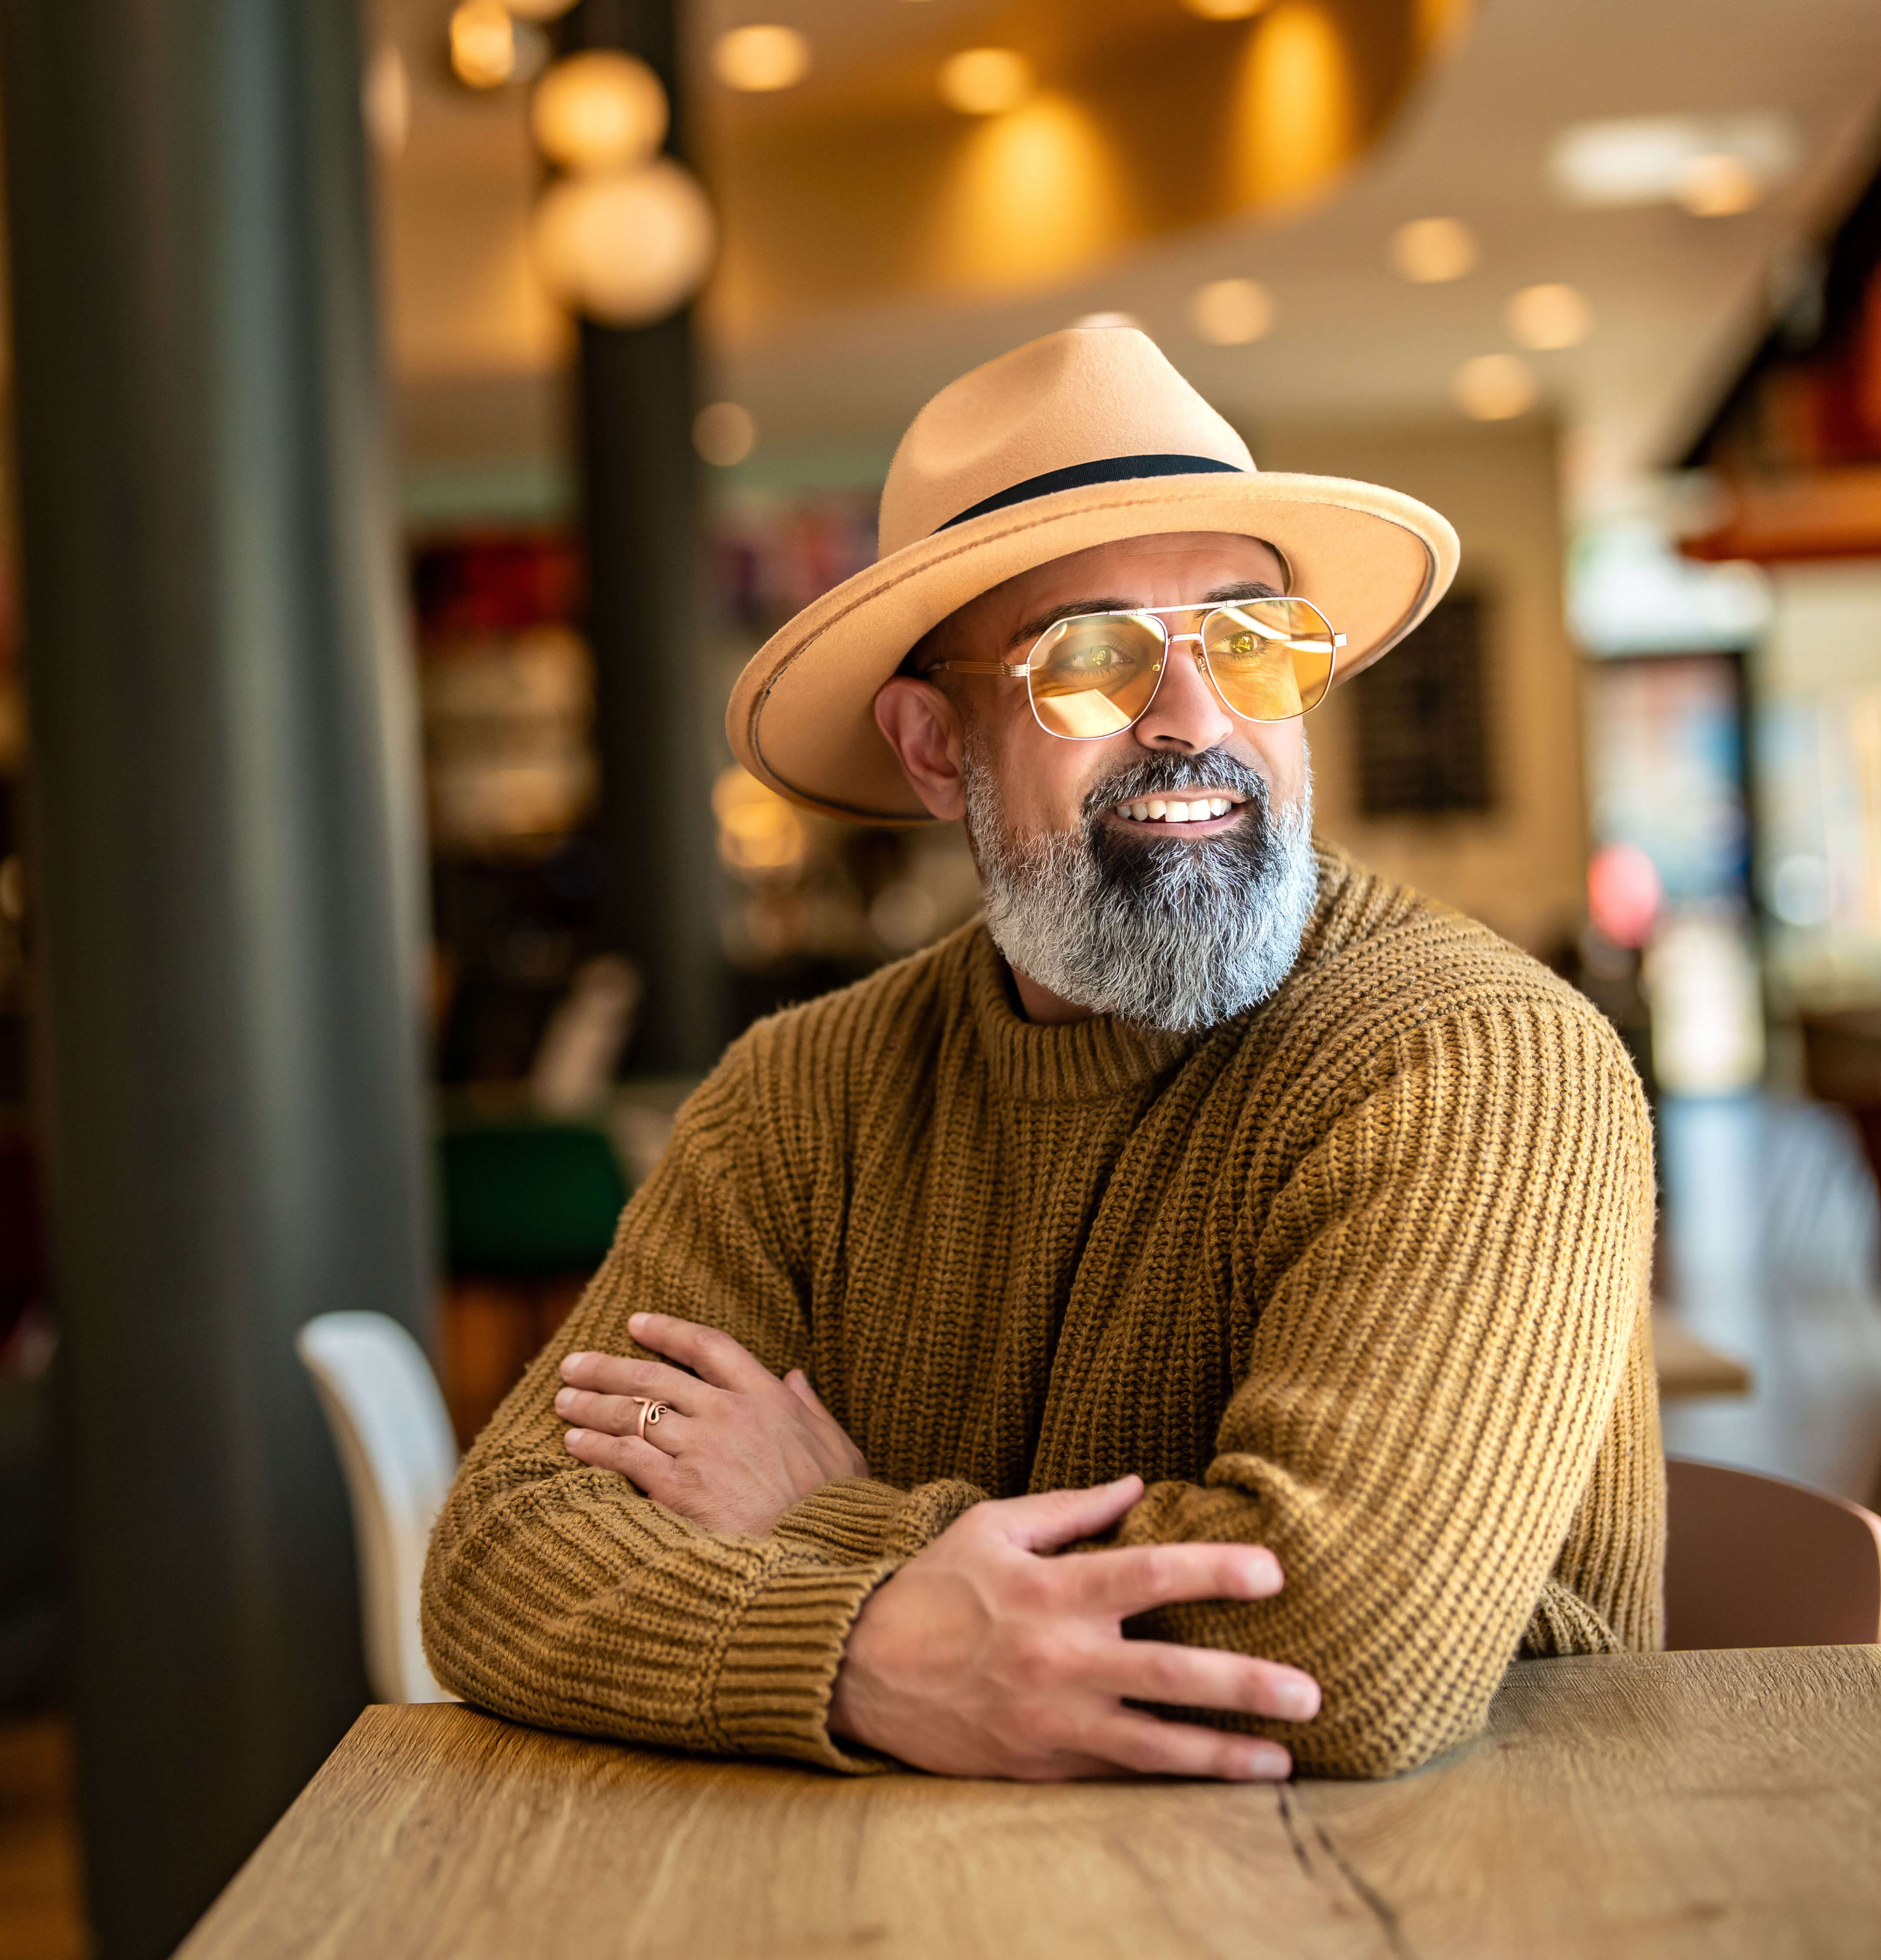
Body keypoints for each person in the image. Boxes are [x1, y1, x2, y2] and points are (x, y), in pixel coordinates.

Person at [420, 327, 1659, 1783]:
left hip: (1434, 1881)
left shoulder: (1476, 1058)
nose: (1193, 719)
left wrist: (826, 1522)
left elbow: (1339, 1654)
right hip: (914, 1884)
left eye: (1250, 641)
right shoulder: (796, 1098)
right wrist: (868, 1656)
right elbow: (501, 1552)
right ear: (934, 747)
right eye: (1089, 659)